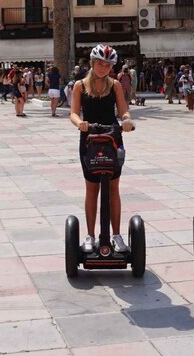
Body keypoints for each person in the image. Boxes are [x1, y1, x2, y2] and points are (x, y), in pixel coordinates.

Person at [69, 44, 134, 253]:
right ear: (92, 63)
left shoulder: (114, 85)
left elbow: (123, 111)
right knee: (92, 189)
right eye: (99, 63)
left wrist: (126, 120)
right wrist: (79, 123)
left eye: (107, 65)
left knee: (114, 188)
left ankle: (116, 235)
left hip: (112, 138)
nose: (103, 68)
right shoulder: (80, 85)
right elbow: (73, 112)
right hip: (89, 140)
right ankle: (89, 235)